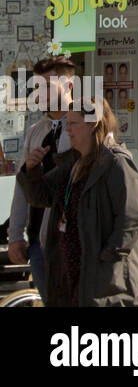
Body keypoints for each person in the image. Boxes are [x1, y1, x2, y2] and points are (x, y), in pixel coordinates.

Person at [18, 98, 138, 306]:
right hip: (70, 272)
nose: (67, 130)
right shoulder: (71, 163)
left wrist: (105, 259)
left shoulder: (116, 163)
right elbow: (41, 197)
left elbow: (131, 220)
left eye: (72, 124)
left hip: (102, 277)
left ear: (91, 124)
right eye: (66, 124)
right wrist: (31, 170)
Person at [4, 57, 77, 302]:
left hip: (70, 239)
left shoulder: (84, 128)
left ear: (68, 85)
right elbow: (22, 185)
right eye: (37, 86)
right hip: (38, 240)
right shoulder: (36, 132)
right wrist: (15, 236)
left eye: (47, 85)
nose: (41, 93)